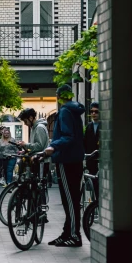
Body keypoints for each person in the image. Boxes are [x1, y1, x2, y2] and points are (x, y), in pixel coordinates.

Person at [41, 84, 85, 247]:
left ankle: (74, 235)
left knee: (70, 200)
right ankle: (67, 233)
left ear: (59, 97)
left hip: (66, 160)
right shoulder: (74, 112)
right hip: (75, 159)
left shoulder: (65, 112)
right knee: (71, 200)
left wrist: (54, 146)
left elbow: (68, 136)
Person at [84, 101, 100, 200]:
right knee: (94, 184)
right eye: (92, 111)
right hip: (91, 160)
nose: (93, 114)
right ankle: (95, 204)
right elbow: (85, 142)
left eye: (96, 112)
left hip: (101, 159)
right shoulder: (89, 126)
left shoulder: (104, 125)